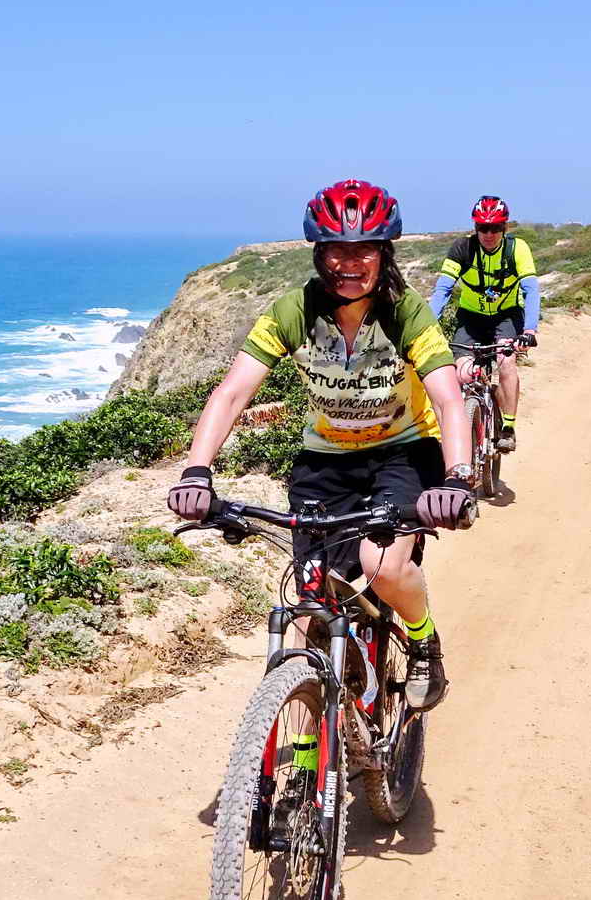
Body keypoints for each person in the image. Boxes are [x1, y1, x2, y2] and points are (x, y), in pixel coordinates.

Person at [166, 180, 473, 710]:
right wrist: (197, 470)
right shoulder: (294, 311)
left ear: (384, 254)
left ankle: (422, 643)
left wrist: (457, 478)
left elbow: (448, 401)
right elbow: (234, 391)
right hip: (325, 459)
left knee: (382, 566)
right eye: (336, 249)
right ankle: (312, 752)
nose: (348, 263)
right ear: (318, 252)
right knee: (312, 606)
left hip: (404, 451)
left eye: (364, 249)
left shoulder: (405, 313)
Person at [427, 195, 540, 451]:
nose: (489, 234)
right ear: (475, 227)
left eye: (495, 228)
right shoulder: (461, 249)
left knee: (506, 362)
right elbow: (443, 289)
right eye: (483, 228)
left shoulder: (517, 249)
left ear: (505, 228)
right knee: (462, 373)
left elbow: (531, 290)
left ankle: (508, 427)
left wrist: (530, 330)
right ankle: (469, 422)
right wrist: (427, 325)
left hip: (506, 316)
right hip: (471, 318)